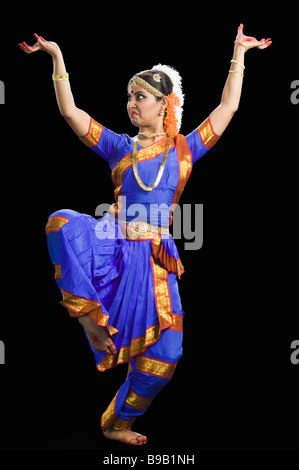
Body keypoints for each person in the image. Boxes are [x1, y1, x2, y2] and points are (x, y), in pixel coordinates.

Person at [19, 25, 271, 446]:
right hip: (116, 248)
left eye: (140, 97)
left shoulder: (185, 150)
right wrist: (57, 57)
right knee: (60, 223)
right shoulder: (119, 147)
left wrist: (238, 53)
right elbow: (71, 114)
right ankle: (88, 319)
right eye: (130, 96)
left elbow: (228, 107)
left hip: (156, 261)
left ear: (165, 104)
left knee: (167, 356)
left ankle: (115, 422)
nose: (131, 104)